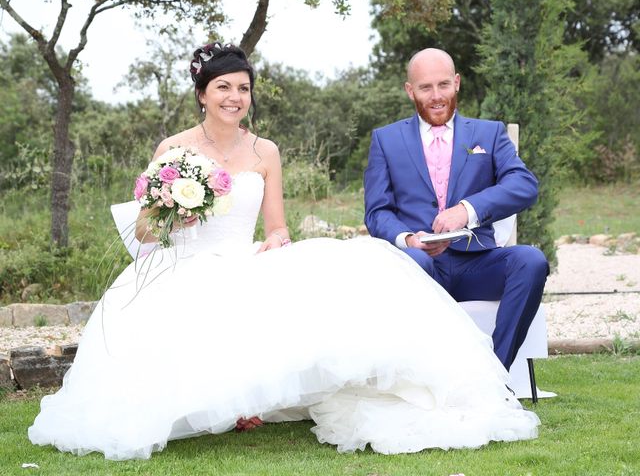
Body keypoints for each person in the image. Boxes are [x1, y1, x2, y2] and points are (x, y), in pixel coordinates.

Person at [28, 43, 540, 461]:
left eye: (243, 88)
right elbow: (143, 232)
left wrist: (274, 245)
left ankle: (474, 382)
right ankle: (227, 405)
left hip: (243, 257)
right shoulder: (173, 150)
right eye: (223, 88)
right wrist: (171, 213)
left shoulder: (265, 151)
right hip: (183, 265)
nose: (235, 97)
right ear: (202, 94)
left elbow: (276, 228)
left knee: (347, 265)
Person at [364, 48, 549, 371]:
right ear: (410, 90)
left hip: (477, 265)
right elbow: (377, 212)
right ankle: (425, 376)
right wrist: (408, 240)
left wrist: (468, 209)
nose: (436, 96)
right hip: (420, 267)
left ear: (457, 83)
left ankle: (495, 376)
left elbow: (524, 185)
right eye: (425, 87)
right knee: (416, 261)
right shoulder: (386, 140)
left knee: (531, 260)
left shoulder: (489, 133)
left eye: (444, 85)